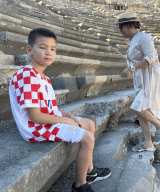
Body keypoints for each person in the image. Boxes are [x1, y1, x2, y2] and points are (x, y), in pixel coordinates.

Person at [9, 28, 111, 192]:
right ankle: (79, 185)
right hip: (35, 129)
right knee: (87, 137)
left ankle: (90, 171)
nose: (48, 52)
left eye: (52, 49)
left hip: (46, 121)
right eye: (42, 47)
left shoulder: (44, 78)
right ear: (29, 50)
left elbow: (51, 109)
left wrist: (69, 115)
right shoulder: (26, 75)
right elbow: (35, 116)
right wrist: (67, 121)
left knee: (89, 124)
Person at [118, 12, 160, 152]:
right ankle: (148, 143)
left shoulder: (144, 38)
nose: (120, 31)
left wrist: (131, 68)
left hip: (150, 76)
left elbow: (151, 58)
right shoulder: (134, 40)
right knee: (142, 110)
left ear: (130, 25)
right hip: (142, 77)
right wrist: (132, 68)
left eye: (121, 27)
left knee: (138, 107)